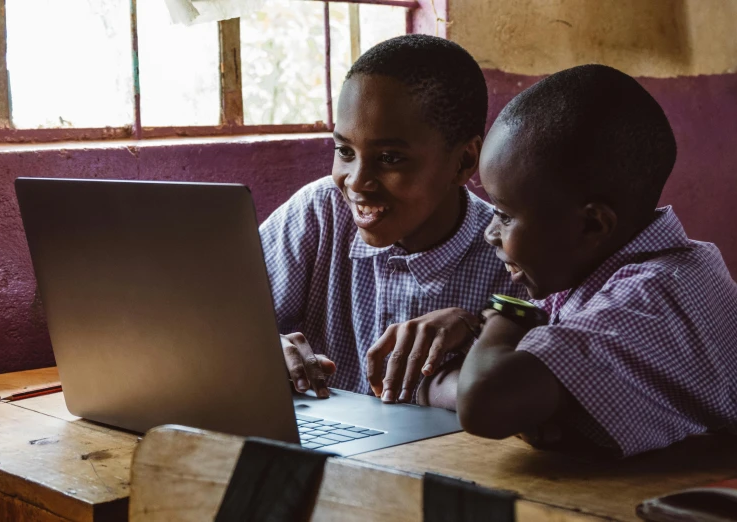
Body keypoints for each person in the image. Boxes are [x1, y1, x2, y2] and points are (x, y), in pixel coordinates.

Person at [404, 64, 737, 457]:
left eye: (505, 215)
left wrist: (505, 316)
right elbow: (511, 390)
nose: (489, 232)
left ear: (592, 225)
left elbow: (484, 401)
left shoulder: (651, 297)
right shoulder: (621, 269)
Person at [259, 34, 522, 402]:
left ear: (463, 161)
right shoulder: (319, 213)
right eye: (344, 151)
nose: (356, 182)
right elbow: (216, 322)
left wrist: (480, 327)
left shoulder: (513, 255)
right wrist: (266, 350)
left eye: (390, 158)